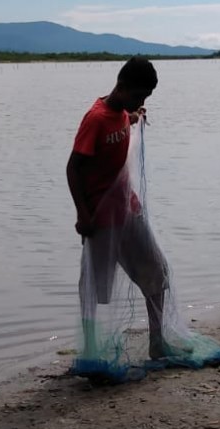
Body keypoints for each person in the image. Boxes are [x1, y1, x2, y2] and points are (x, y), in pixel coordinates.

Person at [66, 56, 169, 361]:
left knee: (156, 272)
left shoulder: (124, 112)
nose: (141, 101)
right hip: (100, 219)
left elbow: (125, 121)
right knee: (93, 289)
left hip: (128, 209)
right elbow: (73, 169)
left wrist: (136, 114)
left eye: (146, 97)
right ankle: (91, 352)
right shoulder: (95, 118)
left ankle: (157, 341)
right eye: (138, 96)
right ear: (121, 86)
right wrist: (82, 215)